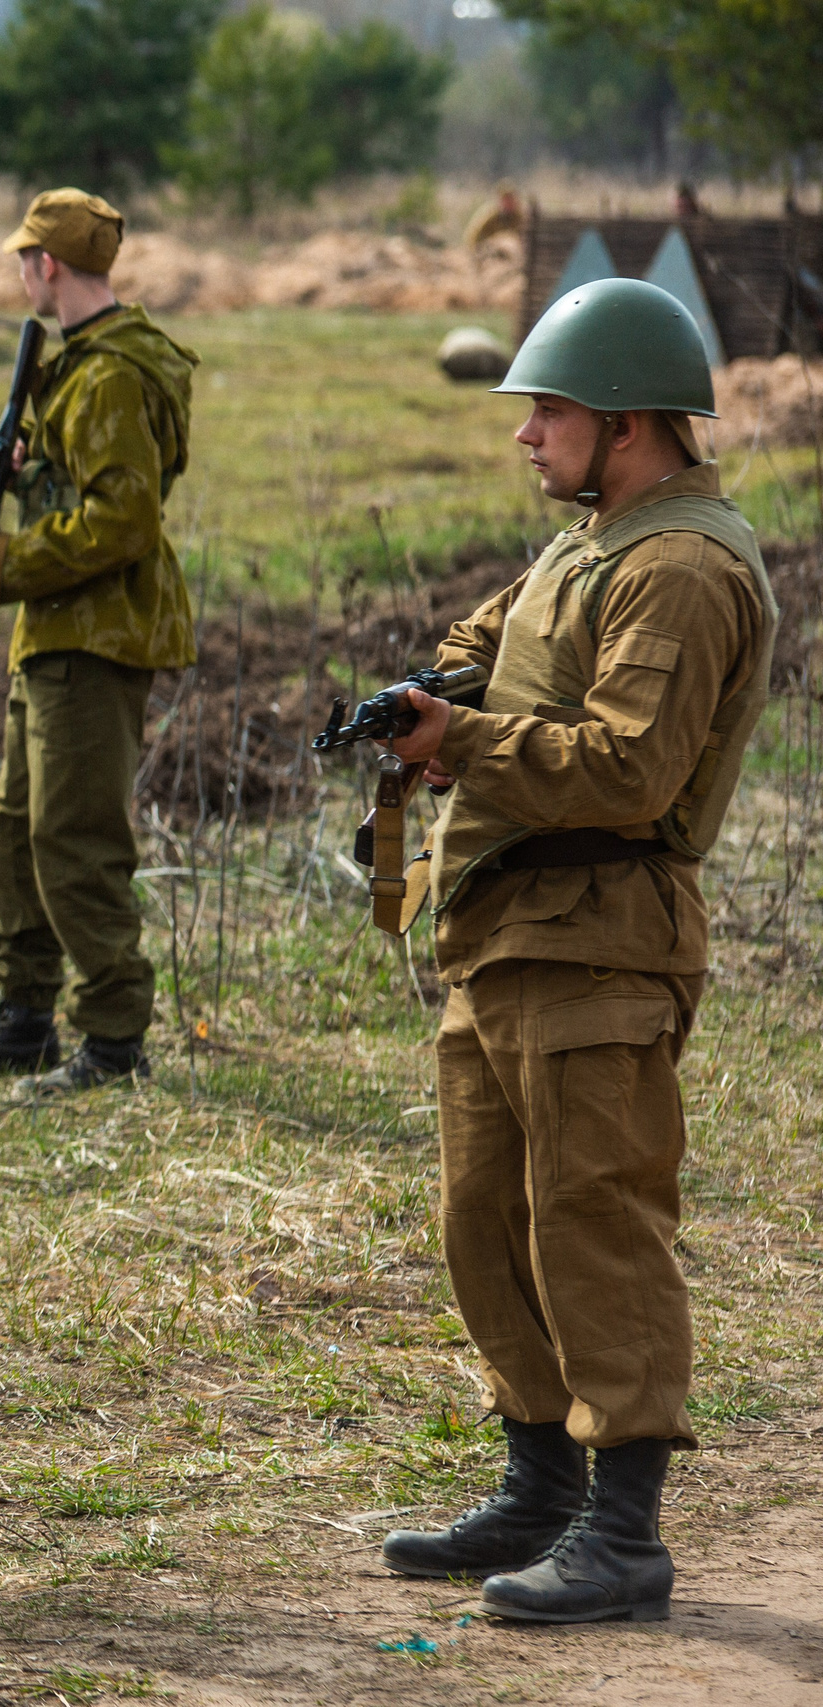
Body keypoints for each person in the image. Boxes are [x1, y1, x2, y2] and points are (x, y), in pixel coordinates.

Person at [374, 277, 772, 1625]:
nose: (524, 433)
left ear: (625, 421)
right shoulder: (593, 542)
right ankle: (540, 1483)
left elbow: (629, 767)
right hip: (509, 930)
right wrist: (440, 695)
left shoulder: (683, 567)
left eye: (546, 409)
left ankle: (625, 1532)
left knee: (595, 1223)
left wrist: (465, 741)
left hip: (600, 940)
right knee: (486, 1218)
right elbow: (495, 639)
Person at [0, 189, 198, 1092]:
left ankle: (115, 1039)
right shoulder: (78, 364)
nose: (20, 276)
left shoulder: (110, 374)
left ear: (48, 264)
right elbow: (79, 484)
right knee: (12, 835)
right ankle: (25, 1019)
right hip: (55, 633)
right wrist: (24, 467)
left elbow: (122, 521)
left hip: (97, 636)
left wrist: (6, 565)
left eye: (24, 260)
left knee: (74, 840)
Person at [464, 181, 526, 252]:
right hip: (492, 252)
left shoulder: (523, 217)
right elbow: (474, 236)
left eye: (511, 200)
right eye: (506, 200)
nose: (509, 203)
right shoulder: (490, 216)